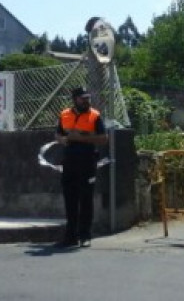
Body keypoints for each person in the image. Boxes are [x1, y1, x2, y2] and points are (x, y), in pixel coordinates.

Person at [54, 86, 108, 248]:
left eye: (88, 98)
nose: (86, 100)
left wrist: (80, 138)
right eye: (83, 98)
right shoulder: (64, 114)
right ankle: (70, 236)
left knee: (86, 199)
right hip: (69, 162)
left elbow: (103, 138)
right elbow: (58, 133)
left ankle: (85, 235)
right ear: (75, 99)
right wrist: (61, 140)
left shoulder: (95, 116)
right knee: (70, 199)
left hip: (87, 162)